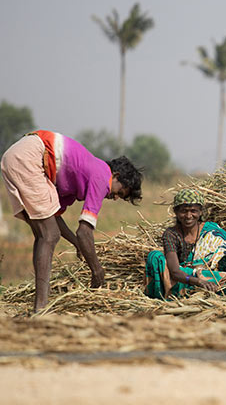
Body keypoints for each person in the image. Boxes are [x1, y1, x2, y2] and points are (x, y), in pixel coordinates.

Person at [0, 129, 143, 312]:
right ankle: (41, 309)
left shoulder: (76, 182)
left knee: (44, 234)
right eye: (120, 192)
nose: (115, 197)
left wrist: (76, 244)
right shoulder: (101, 176)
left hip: (19, 154)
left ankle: (40, 306)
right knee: (49, 235)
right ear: (115, 175)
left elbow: (54, 217)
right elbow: (84, 232)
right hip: (31, 157)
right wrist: (97, 270)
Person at [144, 188, 226, 299]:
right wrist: (199, 282)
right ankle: (172, 293)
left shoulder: (212, 231)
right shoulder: (171, 234)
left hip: (208, 276)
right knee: (154, 256)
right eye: (184, 211)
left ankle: (202, 291)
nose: (188, 216)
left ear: (201, 212)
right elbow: (175, 271)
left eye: (193, 211)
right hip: (184, 278)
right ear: (176, 212)